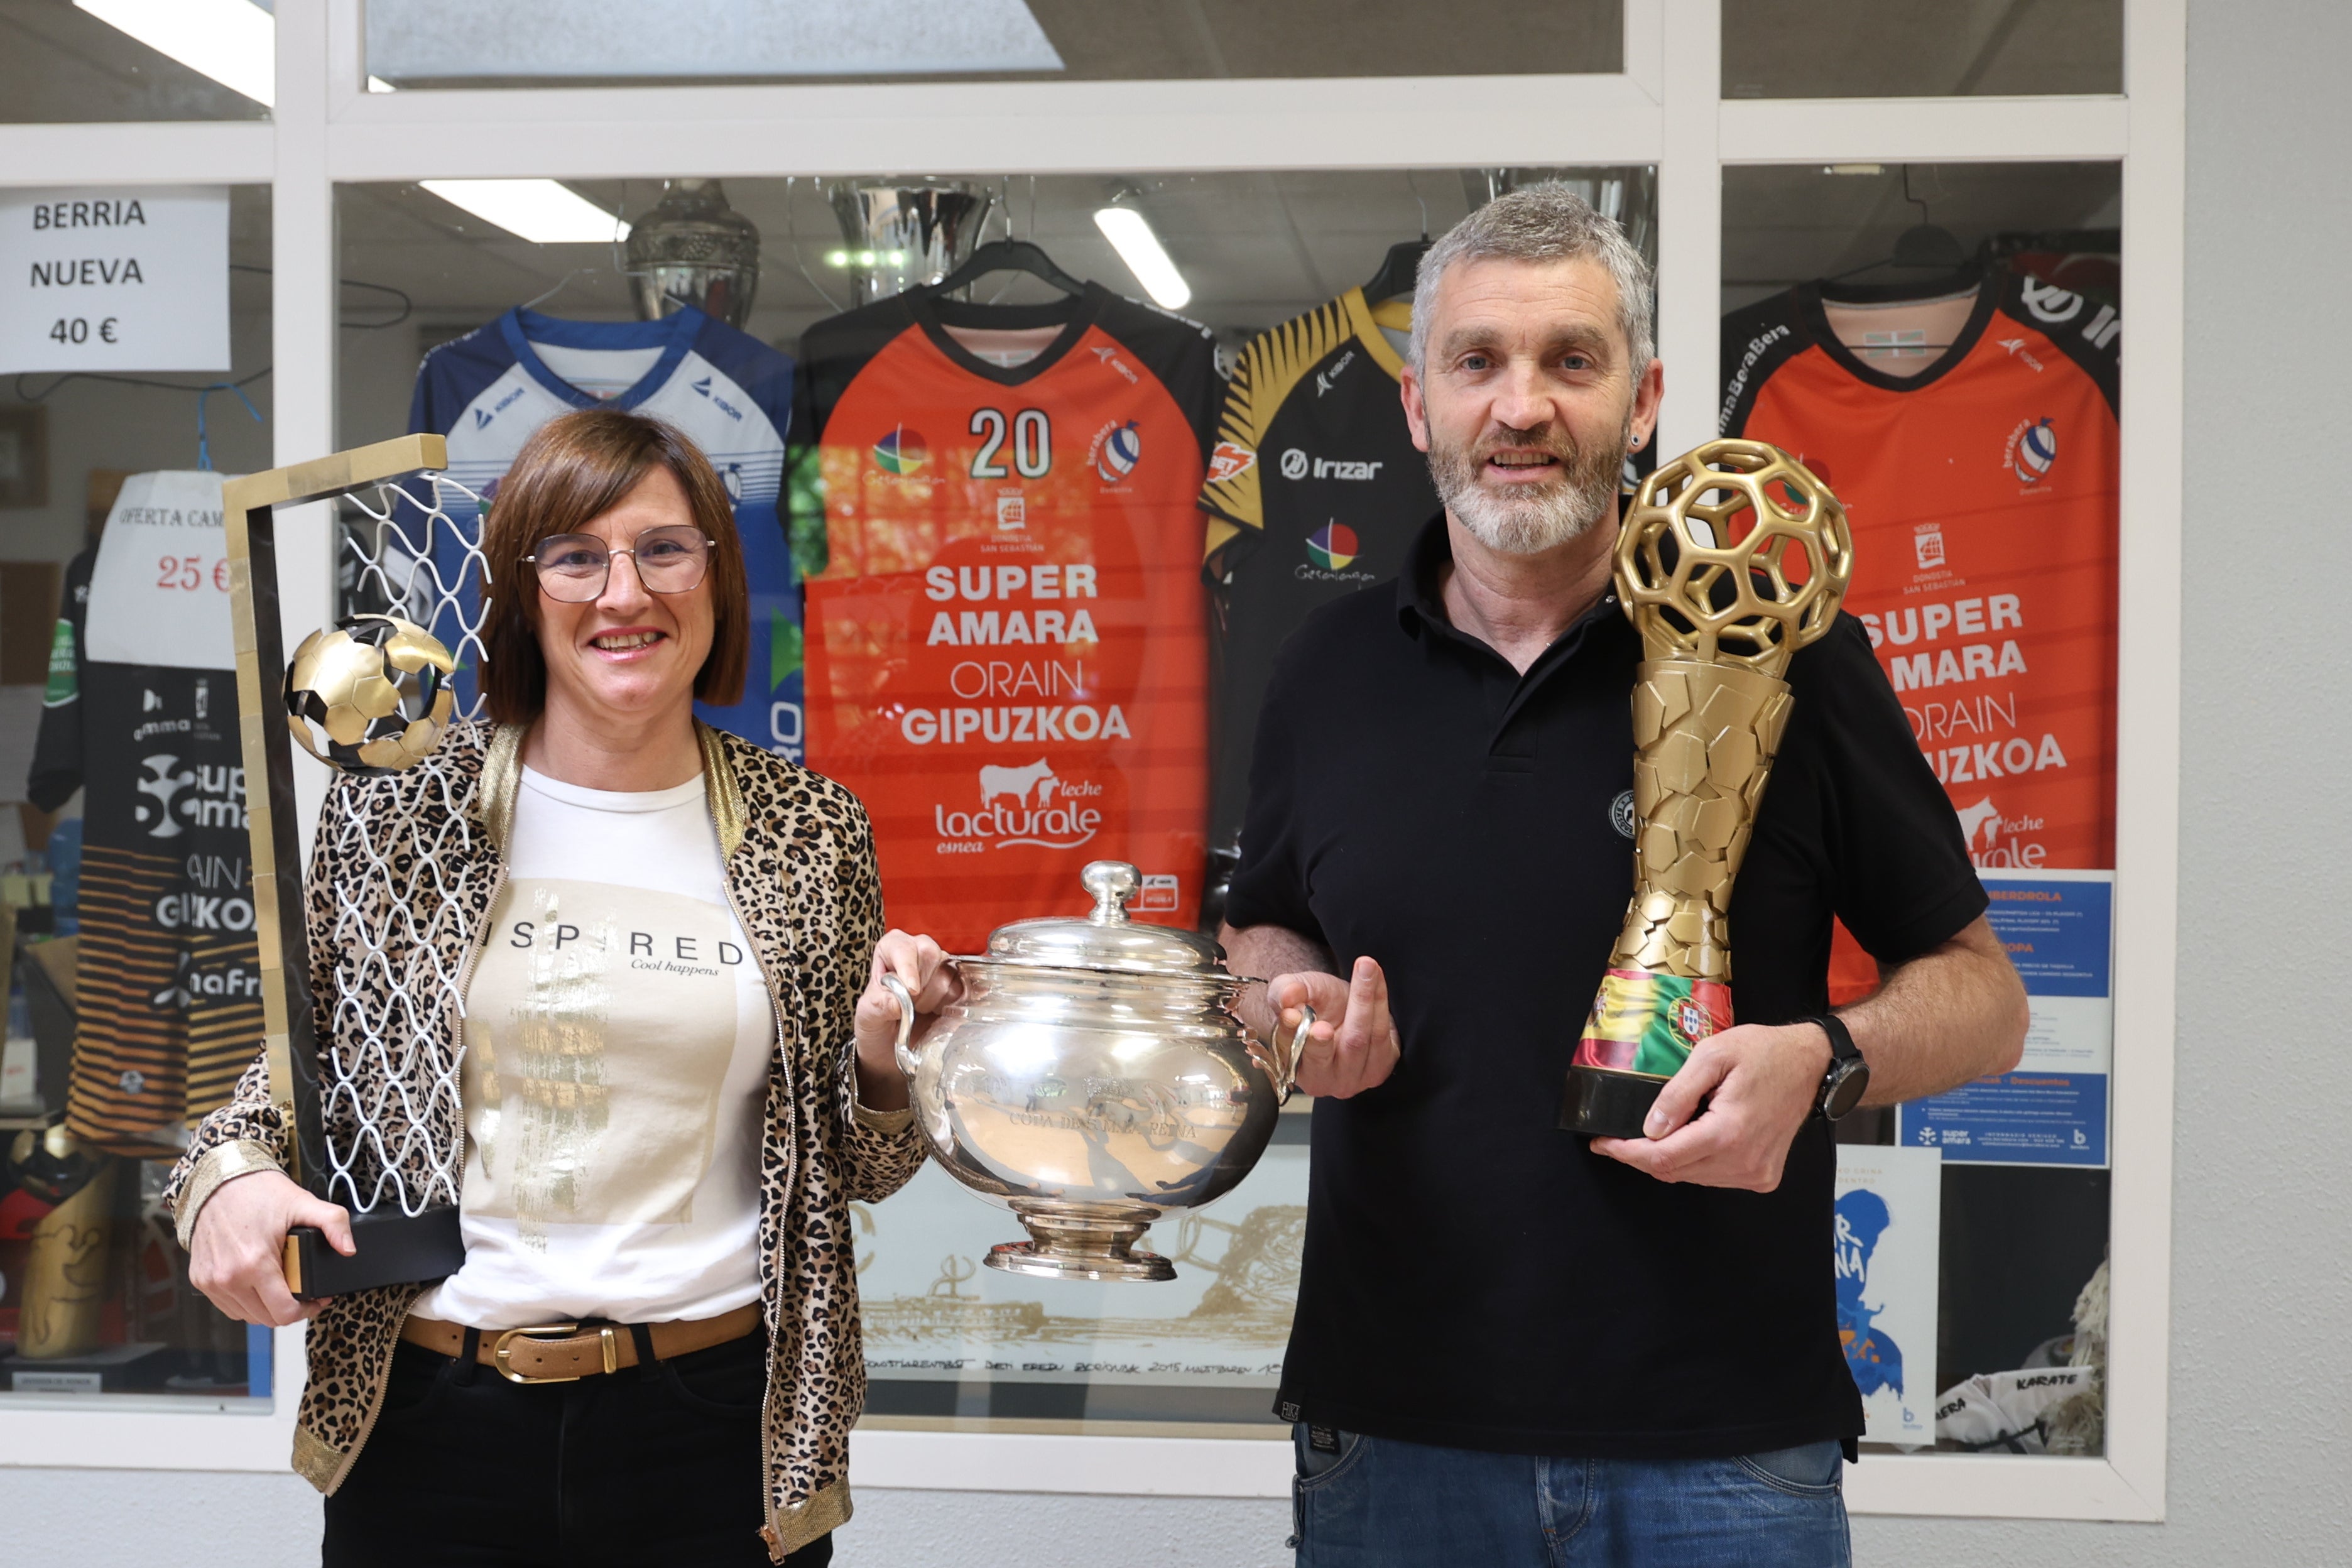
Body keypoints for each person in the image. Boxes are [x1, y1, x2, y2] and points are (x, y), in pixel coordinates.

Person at [1221, 185, 2029, 1565]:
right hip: (1398, 1434)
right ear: (1419, 406)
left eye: (1570, 362)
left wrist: (1822, 1061)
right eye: (1476, 362)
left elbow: (1984, 1001)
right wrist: (1294, 1012)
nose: (1521, 407)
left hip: (1723, 1450)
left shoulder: (1790, 645)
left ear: (1645, 396)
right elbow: (1264, 928)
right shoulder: (1326, 672)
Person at [166, 407, 959, 1567]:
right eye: (576, 556)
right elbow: (300, 1075)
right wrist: (225, 1185)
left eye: (664, 549)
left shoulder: (810, 829)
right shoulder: (405, 812)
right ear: (519, 594)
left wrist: (885, 1053)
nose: (623, 592)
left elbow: (865, 1168)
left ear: (718, 577)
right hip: (434, 1417)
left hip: (715, 1428)